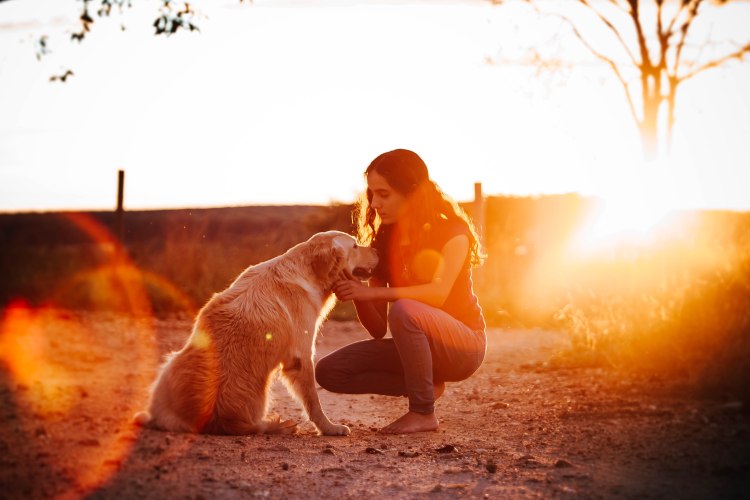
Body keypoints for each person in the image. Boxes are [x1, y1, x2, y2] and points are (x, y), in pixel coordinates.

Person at [315, 149, 487, 434]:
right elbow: (378, 328)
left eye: (384, 194)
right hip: (416, 348)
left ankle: (422, 412)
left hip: (464, 346)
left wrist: (372, 294)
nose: (374, 203)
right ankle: (428, 386)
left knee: (405, 309)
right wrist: (352, 286)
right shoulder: (385, 238)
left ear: (412, 192)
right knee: (330, 371)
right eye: (371, 194)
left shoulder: (453, 232)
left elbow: (437, 294)